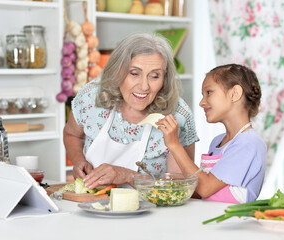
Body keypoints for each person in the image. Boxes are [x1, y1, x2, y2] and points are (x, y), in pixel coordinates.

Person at [63, 32, 199, 189]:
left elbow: (178, 189)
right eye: (134, 73)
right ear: (118, 71)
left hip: (154, 211)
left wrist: (128, 176)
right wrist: (79, 160)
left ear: (165, 78)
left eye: (155, 76)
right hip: (93, 205)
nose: (144, 86)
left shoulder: (177, 116)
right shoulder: (92, 98)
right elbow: (71, 134)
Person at [158, 64, 266, 203]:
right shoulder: (218, 141)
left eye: (209, 92)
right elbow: (207, 194)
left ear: (235, 94)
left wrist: (174, 144)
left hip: (233, 223)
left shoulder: (249, 143)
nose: (201, 103)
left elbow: (205, 188)